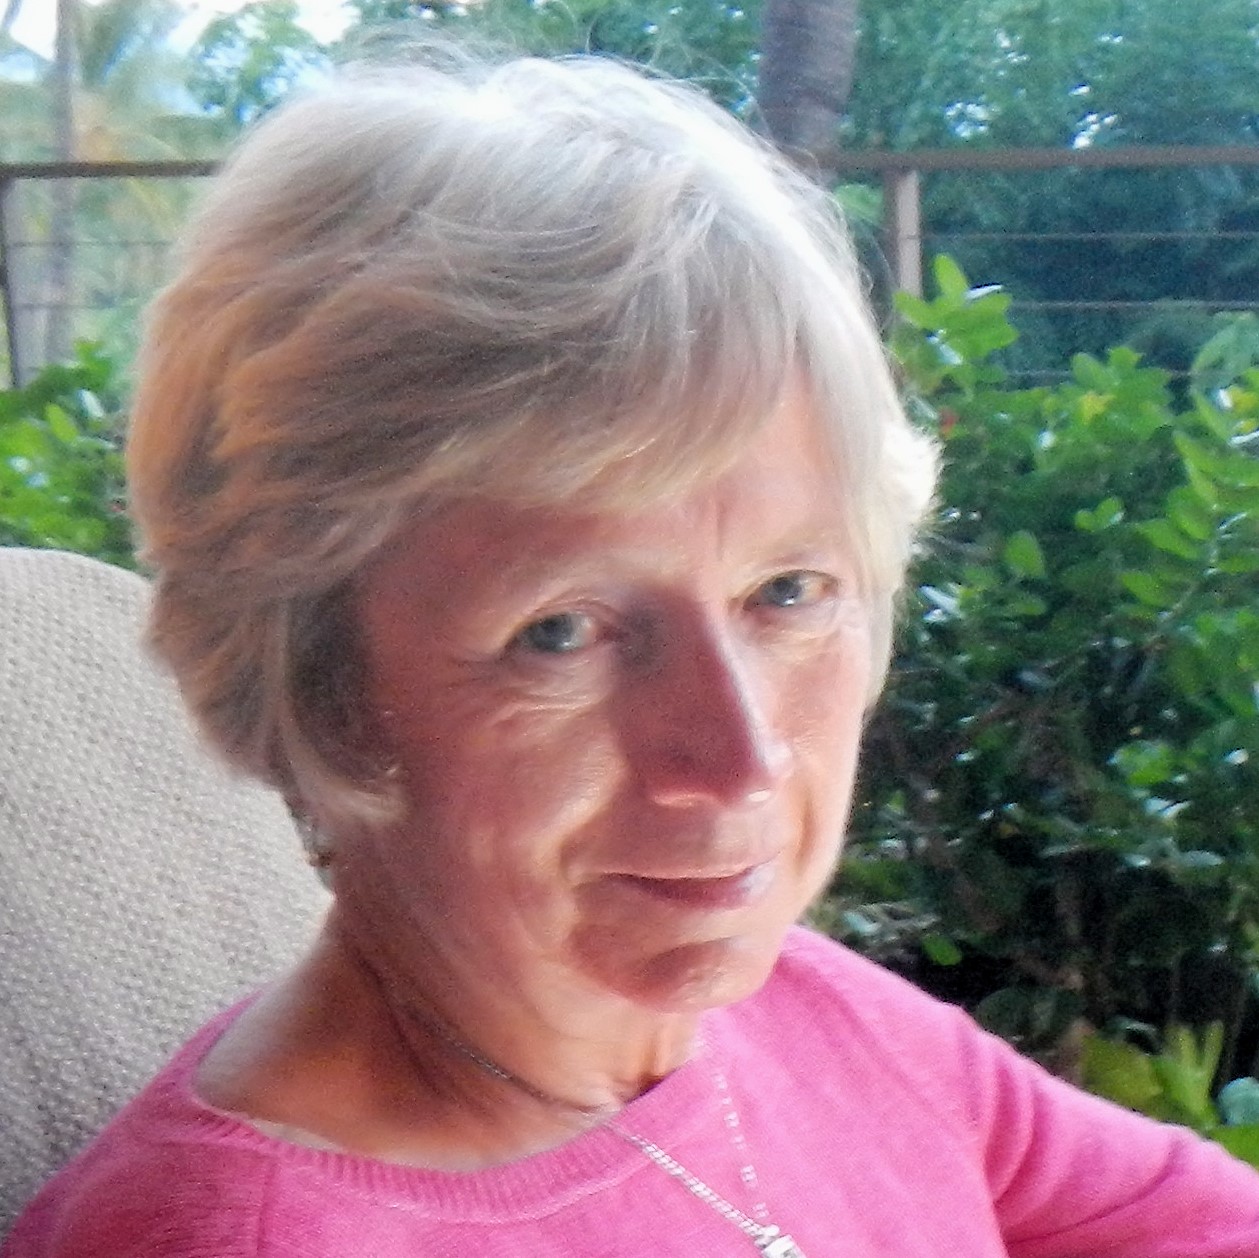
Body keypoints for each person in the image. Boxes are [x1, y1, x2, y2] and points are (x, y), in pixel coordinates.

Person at [5, 44, 1259, 1258]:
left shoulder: (812, 1020)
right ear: (319, 681)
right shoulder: (242, 1238)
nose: (741, 757)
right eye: (560, 631)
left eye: (786, 591)